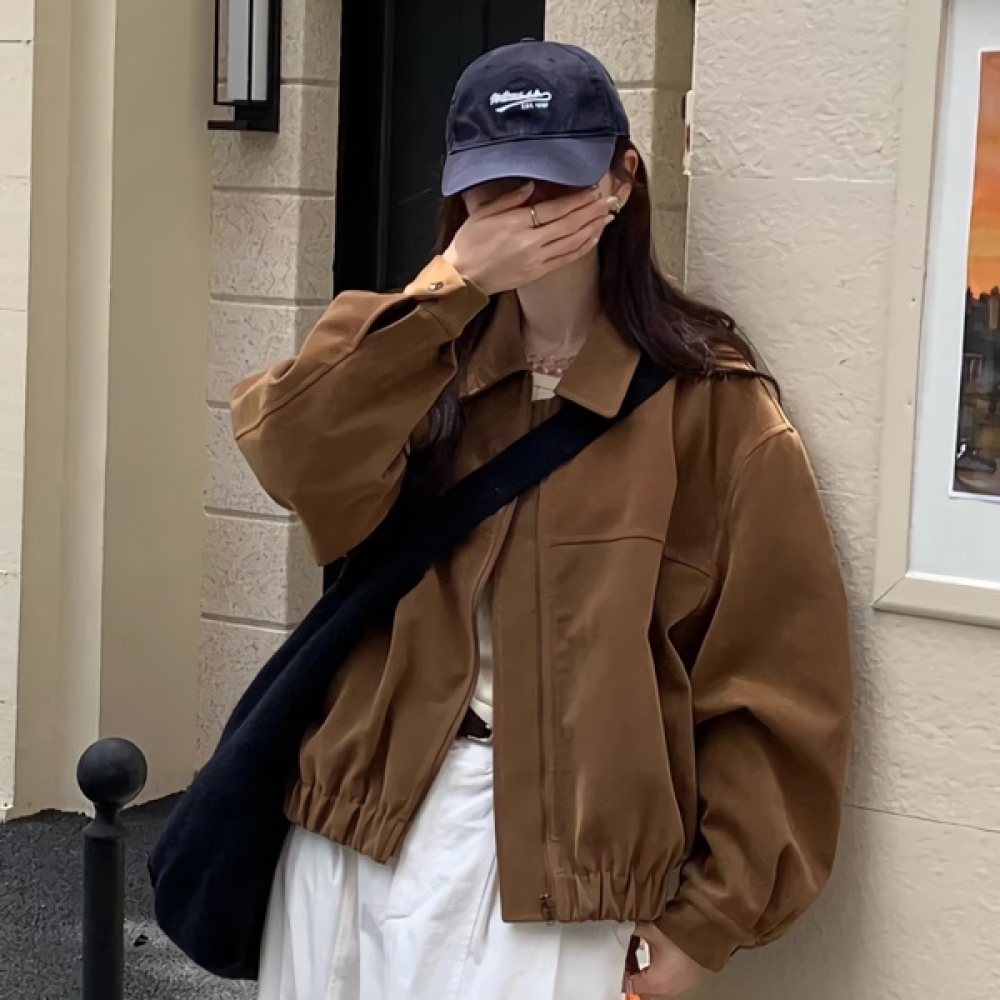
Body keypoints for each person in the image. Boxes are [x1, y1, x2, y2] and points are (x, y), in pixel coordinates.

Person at [231, 40, 852, 1000]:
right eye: (495, 187)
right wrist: (449, 287)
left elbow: (776, 686)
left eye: (552, 180)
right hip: (353, 837)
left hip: (558, 883)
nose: (524, 211)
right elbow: (290, 453)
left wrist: (709, 919)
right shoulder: (418, 364)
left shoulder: (713, 410)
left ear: (620, 180)